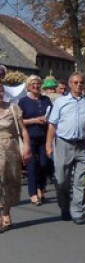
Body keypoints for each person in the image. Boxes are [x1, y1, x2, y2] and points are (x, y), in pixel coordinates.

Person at [46, 72, 85, 223]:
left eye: (81, 82)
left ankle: (78, 211)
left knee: (81, 180)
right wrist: (48, 144)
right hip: (64, 144)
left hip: (83, 144)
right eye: (75, 82)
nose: (79, 85)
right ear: (70, 84)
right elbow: (53, 124)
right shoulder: (61, 102)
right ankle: (65, 207)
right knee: (61, 179)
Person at [0, 65, 28, 232]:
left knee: (10, 181)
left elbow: (23, 130)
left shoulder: (13, 108)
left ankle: (6, 212)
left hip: (11, 148)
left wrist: (27, 148)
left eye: (2, 91)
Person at [18, 75, 52, 206]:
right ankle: (33, 194)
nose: (36, 86)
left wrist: (46, 119)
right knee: (31, 165)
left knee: (43, 164)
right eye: (33, 84)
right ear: (28, 86)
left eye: (38, 84)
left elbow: (52, 117)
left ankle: (41, 187)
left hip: (44, 137)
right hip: (30, 137)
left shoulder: (46, 100)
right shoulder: (23, 101)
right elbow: (19, 121)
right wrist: (34, 120)